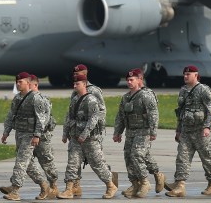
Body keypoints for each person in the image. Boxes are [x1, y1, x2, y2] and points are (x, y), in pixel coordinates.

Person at [165, 65, 211, 198]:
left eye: (189, 74)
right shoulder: (183, 91)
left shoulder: (203, 90)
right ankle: (180, 185)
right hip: (186, 131)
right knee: (182, 157)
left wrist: (207, 127)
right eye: (185, 74)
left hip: (200, 131)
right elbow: (180, 112)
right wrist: (178, 130)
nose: (186, 76)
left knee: (208, 159)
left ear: (196, 75)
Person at [59, 74, 117, 199]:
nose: (75, 86)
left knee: (97, 164)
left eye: (77, 84)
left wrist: (84, 134)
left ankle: (111, 185)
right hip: (75, 138)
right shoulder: (74, 100)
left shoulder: (91, 100)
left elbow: (94, 119)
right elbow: (69, 117)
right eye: (74, 84)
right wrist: (65, 133)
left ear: (84, 84)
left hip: (90, 139)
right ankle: (69, 189)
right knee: (72, 164)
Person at [112, 68, 164, 198]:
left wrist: (153, 131)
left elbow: (153, 113)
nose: (129, 82)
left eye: (132, 79)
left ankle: (144, 182)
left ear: (139, 80)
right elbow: (120, 116)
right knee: (129, 157)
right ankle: (136, 183)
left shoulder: (146, 95)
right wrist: (117, 132)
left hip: (144, 131)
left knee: (137, 155)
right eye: (128, 80)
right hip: (130, 131)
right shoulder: (125, 97)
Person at [0, 72, 46, 201]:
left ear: (28, 83)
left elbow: (41, 119)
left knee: (20, 162)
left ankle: (15, 190)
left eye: (21, 82)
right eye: (17, 82)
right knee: (28, 165)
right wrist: (6, 132)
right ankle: (44, 185)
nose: (18, 84)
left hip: (30, 135)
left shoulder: (36, 98)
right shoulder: (17, 98)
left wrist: (37, 135)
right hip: (19, 133)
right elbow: (11, 115)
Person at [67, 64, 107, 197]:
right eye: (74, 73)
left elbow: (101, 111)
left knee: (97, 161)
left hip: (91, 133)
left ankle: (111, 181)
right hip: (76, 132)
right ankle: (75, 186)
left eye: (79, 72)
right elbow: (71, 112)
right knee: (74, 161)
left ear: (86, 73)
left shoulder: (94, 90)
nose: (75, 75)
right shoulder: (75, 90)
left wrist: (92, 128)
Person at [25, 74, 59, 199]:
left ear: (35, 85)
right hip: (28, 136)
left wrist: (37, 134)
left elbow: (43, 119)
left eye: (29, 85)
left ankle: (53, 185)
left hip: (42, 136)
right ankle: (41, 185)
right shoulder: (25, 99)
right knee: (25, 162)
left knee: (46, 161)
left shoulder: (42, 99)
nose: (26, 87)